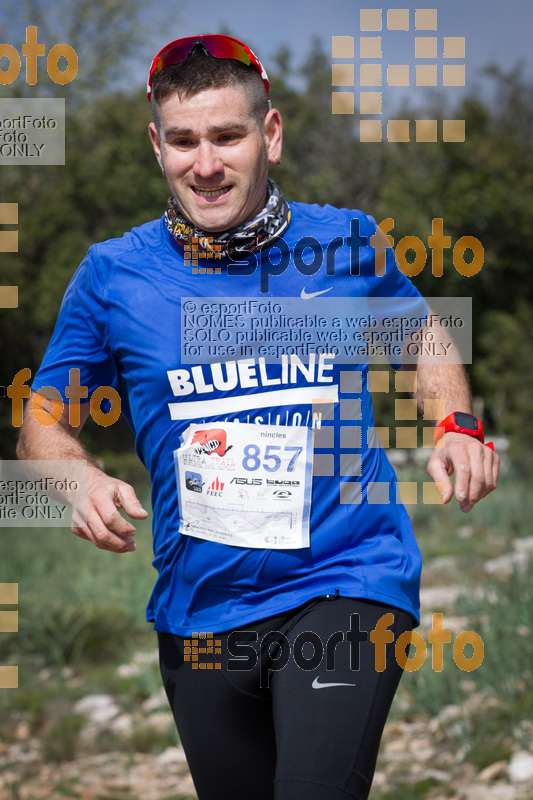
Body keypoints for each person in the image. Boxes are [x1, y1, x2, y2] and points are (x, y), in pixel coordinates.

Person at [16, 34, 499, 800]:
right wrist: (74, 479)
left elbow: (417, 333)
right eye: (183, 141)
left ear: (268, 134)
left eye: (226, 136)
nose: (204, 164)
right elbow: (41, 422)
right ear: (156, 145)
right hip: (200, 612)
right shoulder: (113, 275)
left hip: (346, 582)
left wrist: (456, 424)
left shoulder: (342, 242)